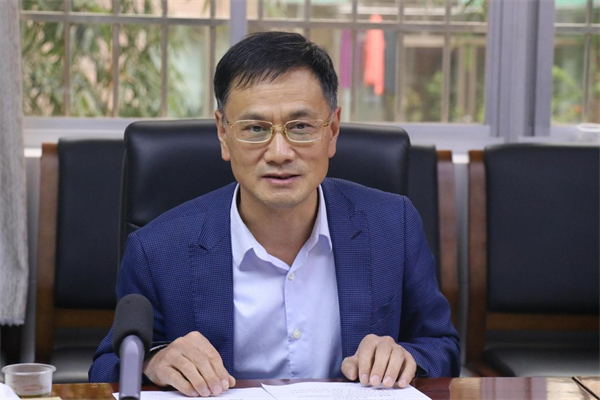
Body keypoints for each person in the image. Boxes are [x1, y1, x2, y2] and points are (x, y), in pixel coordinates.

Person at [89, 31, 460, 397]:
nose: (280, 153)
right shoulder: (156, 249)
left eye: (300, 127)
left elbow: (442, 346)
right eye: (255, 129)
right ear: (223, 134)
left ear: (332, 130)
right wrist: (153, 361)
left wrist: (407, 358)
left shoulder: (392, 225)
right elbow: (106, 368)